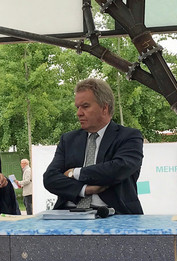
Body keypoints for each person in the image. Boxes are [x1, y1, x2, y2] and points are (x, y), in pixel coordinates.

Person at [43, 78, 144, 214]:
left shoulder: (129, 137)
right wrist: (84, 190)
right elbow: (50, 178)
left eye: (85, 106)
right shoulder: (68, 140)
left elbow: (118, 168)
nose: (79, 113)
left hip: (113, 215)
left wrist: (75, 173)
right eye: (77, 107)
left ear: (104, 108)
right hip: (67, 215)